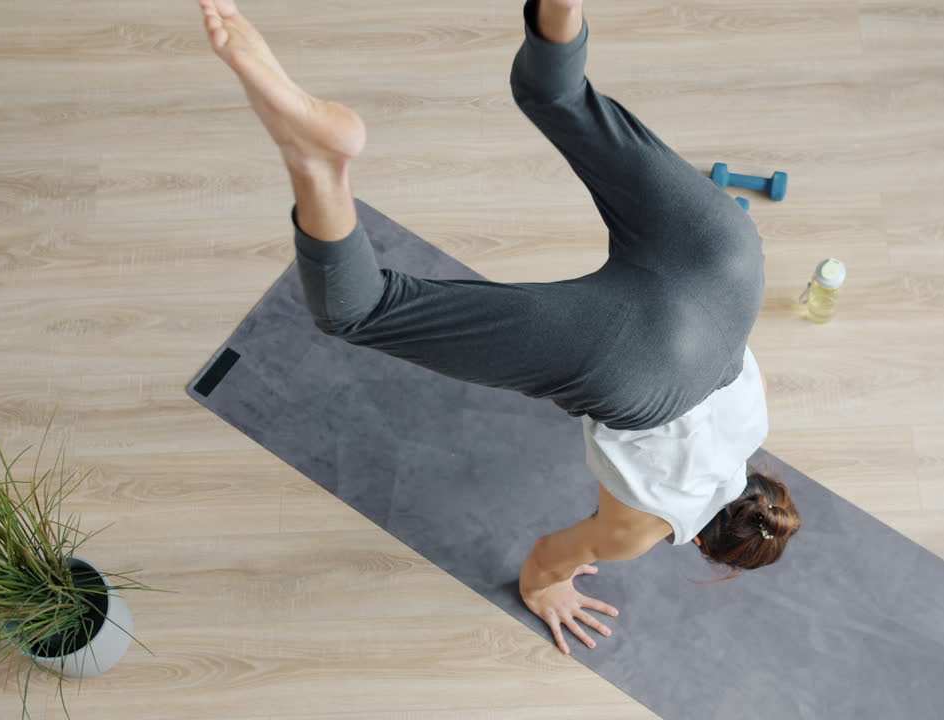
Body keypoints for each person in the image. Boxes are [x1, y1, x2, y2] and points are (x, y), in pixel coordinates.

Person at [198, 0, 801, 657]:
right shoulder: (641, 532)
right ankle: (317, 163)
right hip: (636, 362)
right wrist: (549, 590)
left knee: (556, 93)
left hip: (727, 264)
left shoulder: (754, 425)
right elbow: (547, 558)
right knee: (362, 309)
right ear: (707, 547)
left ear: (763, 488)